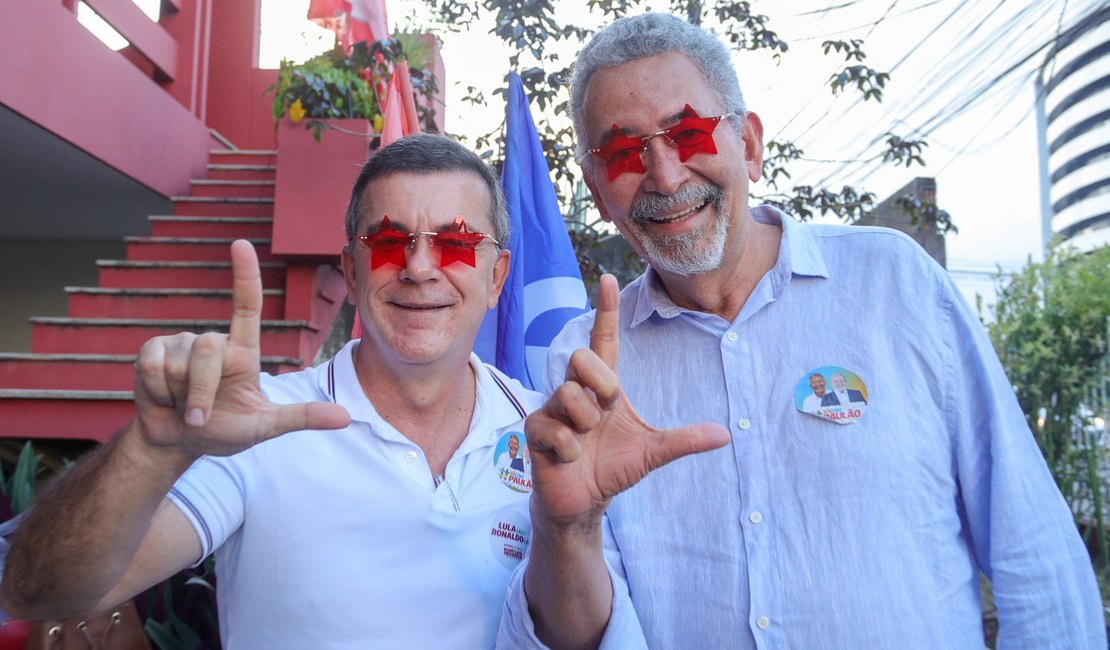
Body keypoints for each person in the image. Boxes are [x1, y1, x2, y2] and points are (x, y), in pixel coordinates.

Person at [499, 12, 1105, 650]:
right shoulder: (583, 365)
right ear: (597, 193)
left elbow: (1035, 557)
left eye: (688, 130)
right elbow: (586, 633)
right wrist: (568, 529)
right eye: (623, 151)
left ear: (750, 144)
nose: (666, 174)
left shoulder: (895, 285)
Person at [0, 134, 543, 648]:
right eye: (387, 241)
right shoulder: (255, 425)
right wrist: (150, 451)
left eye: (455, 243)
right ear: (351, 274)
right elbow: (36, 590)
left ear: (496, 277)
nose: (420, 267)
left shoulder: (547, 433)